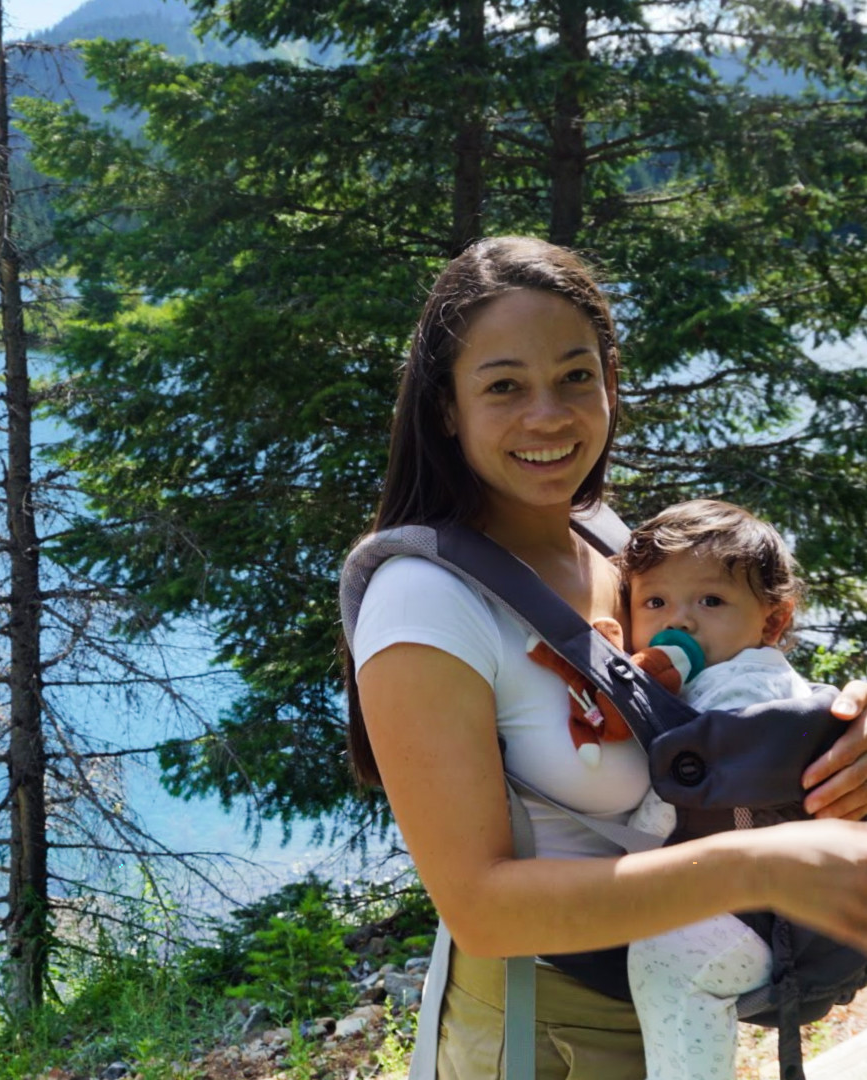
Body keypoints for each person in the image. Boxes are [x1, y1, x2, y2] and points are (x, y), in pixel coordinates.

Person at [343, 236, 867, 1078]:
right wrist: (762, 864)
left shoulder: (613, 548)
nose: (548, 416)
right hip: (544, 1035)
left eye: (576, 376)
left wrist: (841, 731)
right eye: (504, 385)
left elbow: (722, 707)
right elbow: (479, 909)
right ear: (447, 407)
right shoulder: (425, 602)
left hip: (678, 1009)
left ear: (610, 381)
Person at [618, 499, 813, 1080]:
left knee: (667, 965)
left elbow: (682, 786)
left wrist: (633, 852)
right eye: (655, 602)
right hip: (763, 912)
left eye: (711, 601)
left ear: (772, 622)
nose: (681, 621)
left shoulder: (739, 687)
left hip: (749, 919)